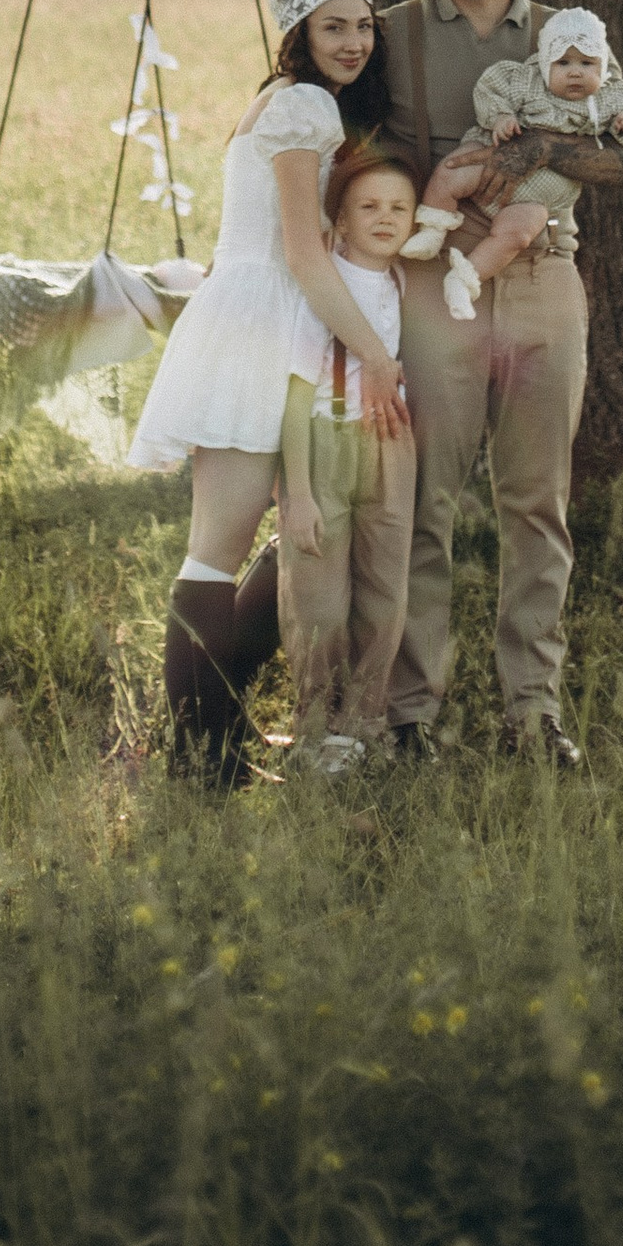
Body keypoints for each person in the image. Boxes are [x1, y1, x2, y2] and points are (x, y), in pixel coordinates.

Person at [379, 0, 623, 771]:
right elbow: (350, 160)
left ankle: (532, 712)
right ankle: (410, 712)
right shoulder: (393, 37)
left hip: (546, 276)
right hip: (436, 282)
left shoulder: (571, 36)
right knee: (428, 501)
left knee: (538, 503)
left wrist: (541, 145)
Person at [129, 0, 403, 783]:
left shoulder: (276, 103)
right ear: (300, 36)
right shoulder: (303, 104)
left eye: (363, 27)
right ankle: (202, 759)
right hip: (259, 326)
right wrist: (377, 354)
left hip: (248, 315)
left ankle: (218, 726)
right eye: (334, 28)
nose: (353, 42)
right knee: (216, 551)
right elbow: (301, 252)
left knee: (282, 540)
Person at [276, 143, 420, 773]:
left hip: (390, 446)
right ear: (341, 217)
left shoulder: (403, 277)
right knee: (320, 599)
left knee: (385, 591)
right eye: (369, 206)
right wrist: (298, 492)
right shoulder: (323, 282)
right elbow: (295, 390)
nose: (385, 217)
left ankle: (365, 720)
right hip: (325, 441)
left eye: (399, 207)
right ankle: (315, 726)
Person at [401, 7, 623, 318]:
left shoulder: (607, 97)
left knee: (519, 235)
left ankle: (464, 279)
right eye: (563, 63)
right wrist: (502, 118)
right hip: (492, 156)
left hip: (540, 194)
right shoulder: (525, 80)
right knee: (451, 171)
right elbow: (491, 90)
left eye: (587, 63)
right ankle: (433, 228)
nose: (575, 72)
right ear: (544, 61)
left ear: (602, 66)